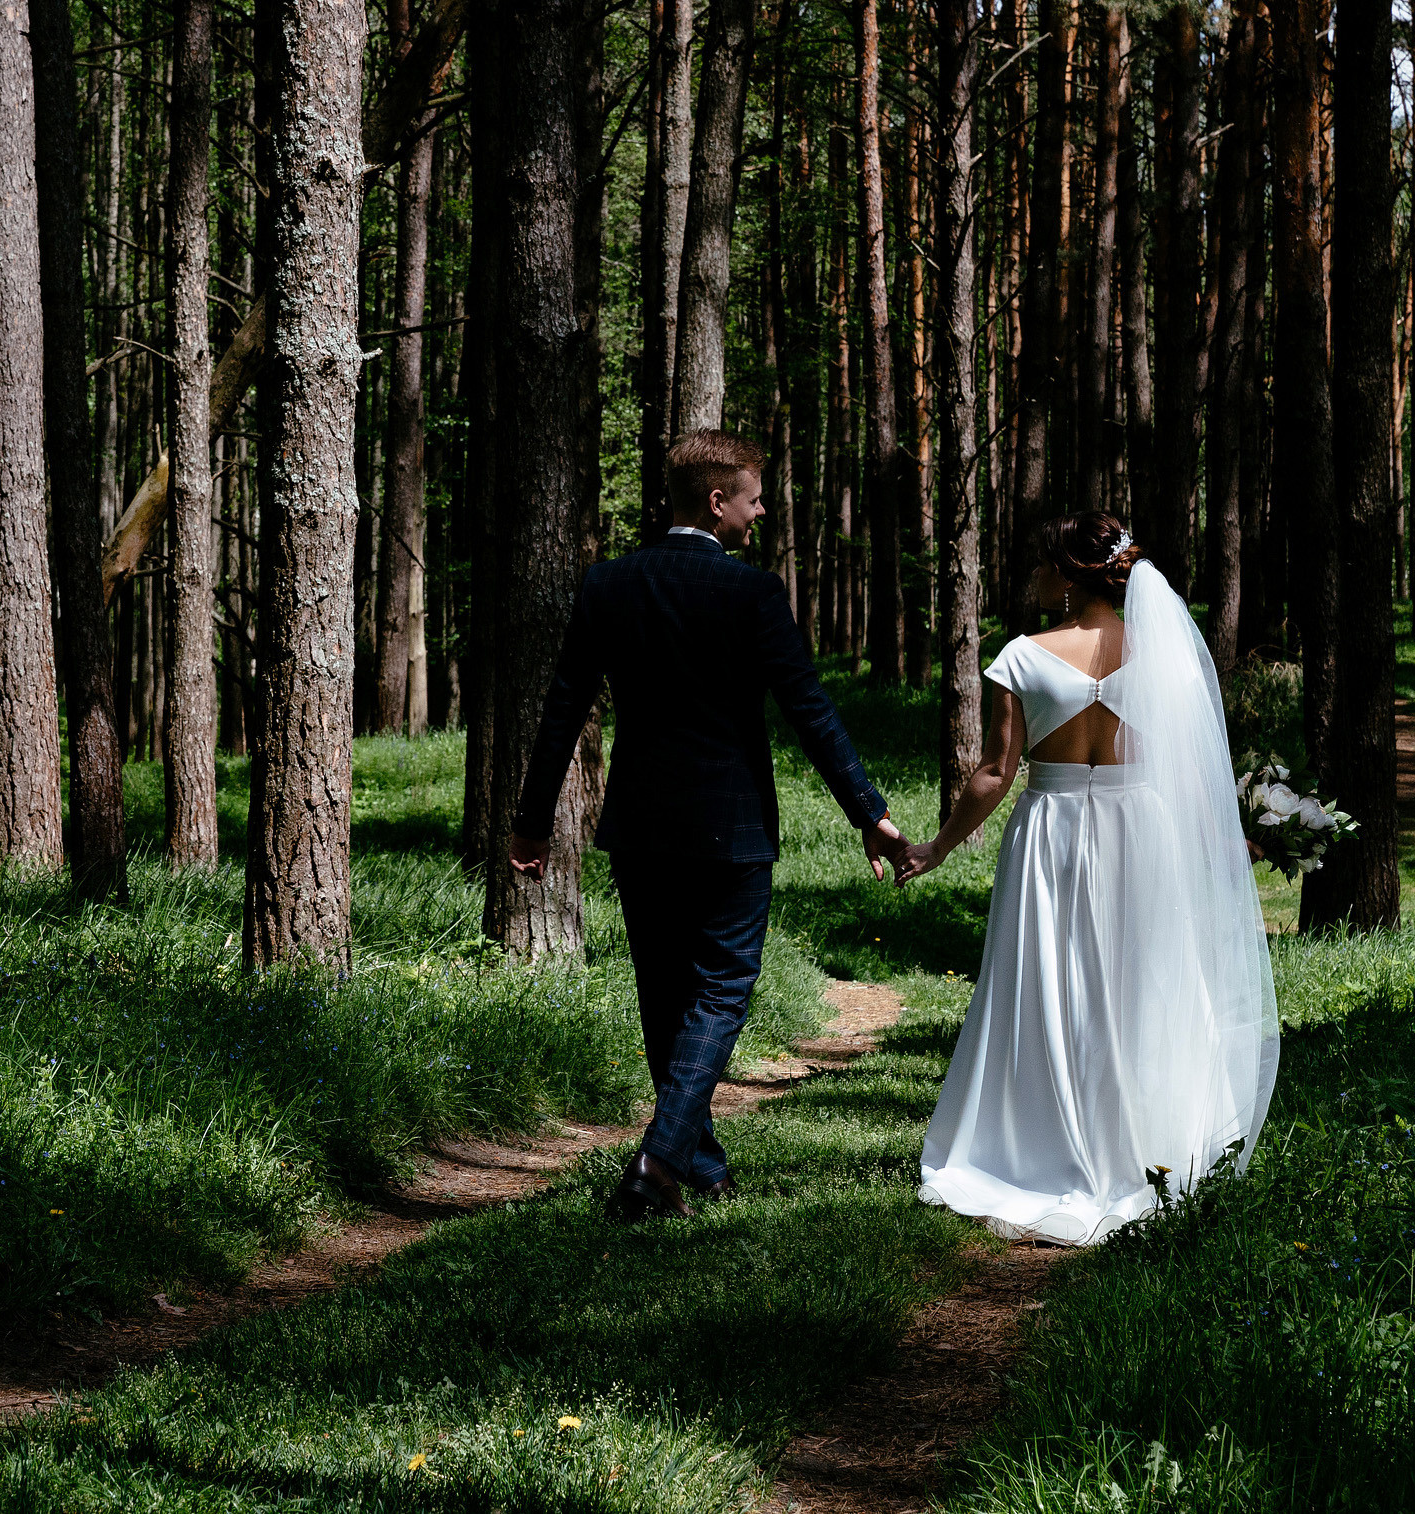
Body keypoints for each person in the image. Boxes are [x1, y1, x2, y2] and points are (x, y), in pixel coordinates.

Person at [510, 430, 910, 1222]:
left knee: (665, 993)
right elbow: (810, 711)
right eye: (755, 498)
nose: (762, 513)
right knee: (721, 990)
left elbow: (563, 711)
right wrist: (870, 814)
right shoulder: (751, 594)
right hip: (731, 828)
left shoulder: (608, 584)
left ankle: (699, 1161)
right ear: (717, 500)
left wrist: (532, 821)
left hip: (642, 825)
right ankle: (661, 1162)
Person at [896, 511, 1279, 1244]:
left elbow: (992, 773)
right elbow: (1193, 765)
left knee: (1047, 979)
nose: (1035, 577)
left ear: (1069, 576)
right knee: (1144, 979)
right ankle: (1144, 1141)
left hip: (1054, 830)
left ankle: (1035, 1142)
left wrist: (939, 846)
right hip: (1143, 828)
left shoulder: (1023, 656)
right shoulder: (1162, 651)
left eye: (1043, 565)